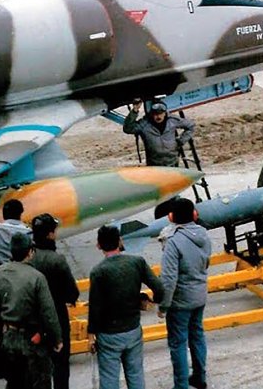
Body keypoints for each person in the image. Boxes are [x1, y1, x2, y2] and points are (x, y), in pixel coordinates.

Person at [88, 225, 165, 389]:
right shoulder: (137, 262)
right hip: (133, 329)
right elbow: (159, 288)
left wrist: (91, 336)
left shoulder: (98, 271)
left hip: (108, 334)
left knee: (109, 379)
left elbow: (95, 307)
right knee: (135, 374)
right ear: (120, 241)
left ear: (99, 245)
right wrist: (153, 301)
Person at [0, 232, 63, 389]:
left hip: (9, 338)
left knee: (14, 381)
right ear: (30, 252)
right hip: (33, 339)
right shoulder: (36, 277)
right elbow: (48, 312)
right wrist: (57, 339)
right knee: (40, 380)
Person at [157, 198, 211, 389]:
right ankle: (200, 377)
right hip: (200, 295)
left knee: (178, 343)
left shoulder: (173, 241)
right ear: (194, 215)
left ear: (171, 217)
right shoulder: (203, 234)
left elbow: (169, 279)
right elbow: (205, 264)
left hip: (180, 301)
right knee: (197, 336)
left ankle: (181, 385)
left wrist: (163, 305)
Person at [29, 213, 80, 389]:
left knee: (37, 366)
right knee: (60, 363)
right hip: (57, 315)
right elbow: (72, 292)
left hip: (32, 318)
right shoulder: (56, 260)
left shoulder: (27, 258)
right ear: (50, 234)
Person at [122, 100, 195, 168]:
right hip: (154, 165)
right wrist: (135, 111)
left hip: (172, 163)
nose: (158, 116)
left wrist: (180, 141)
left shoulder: (172, 120)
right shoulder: (145, 124)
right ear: (152, 114)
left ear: (165, 113)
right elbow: (128, 129)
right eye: (156, 114)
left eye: (161, 114)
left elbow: (191, 126)